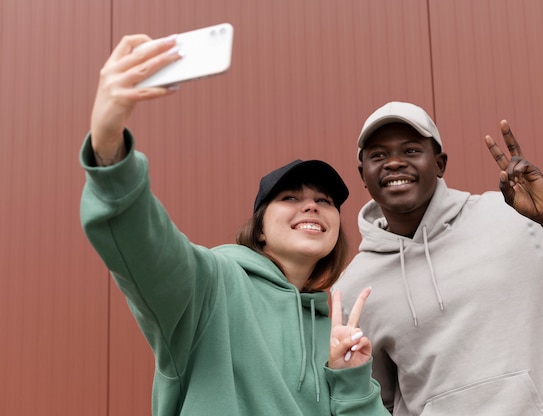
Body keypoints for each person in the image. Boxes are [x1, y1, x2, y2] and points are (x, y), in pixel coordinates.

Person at [79, 34, 390, 416]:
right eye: (290, 198)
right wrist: (109, 148)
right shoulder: (211, 286)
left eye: (324, 202)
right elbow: (147, 248)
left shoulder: (334, 333)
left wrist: (352, 381)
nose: (311, 206)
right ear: (259, 229)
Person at [334, 101, 543, 415]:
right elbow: (376, 400)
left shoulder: (514, 217)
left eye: (410, 151)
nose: (394, 163)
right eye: (378, 155)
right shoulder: (355, 288)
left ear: (440, 164)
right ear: (362, 174)